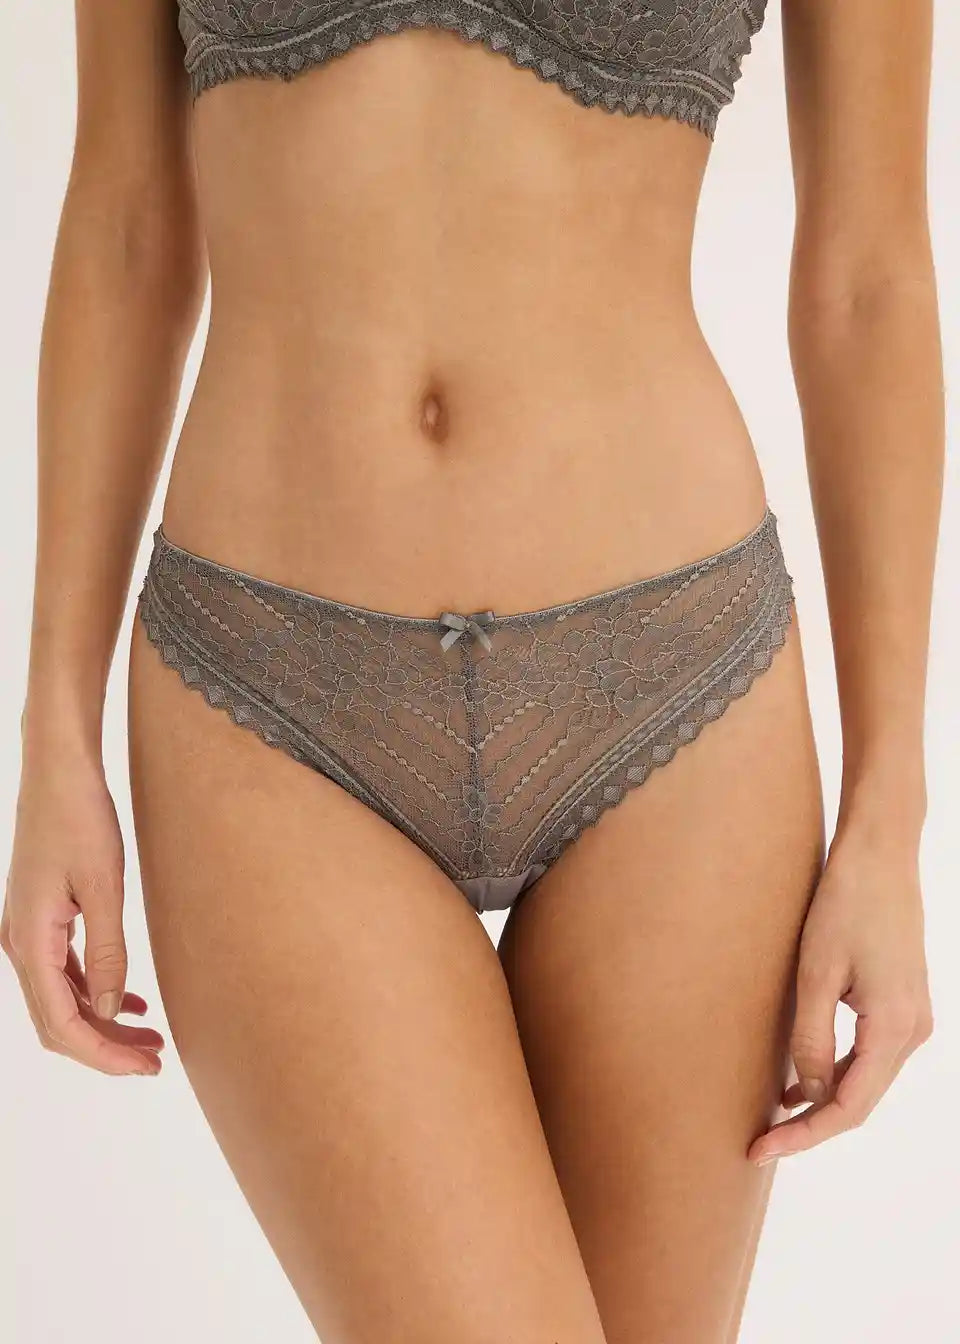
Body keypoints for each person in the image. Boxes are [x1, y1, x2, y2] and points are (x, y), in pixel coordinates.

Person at [2, 1, 943, 1340]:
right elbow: (126, 224)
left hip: (675, 693)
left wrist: (889, 817)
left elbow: (869, 280)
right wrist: (53, 731)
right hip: (267, 697)